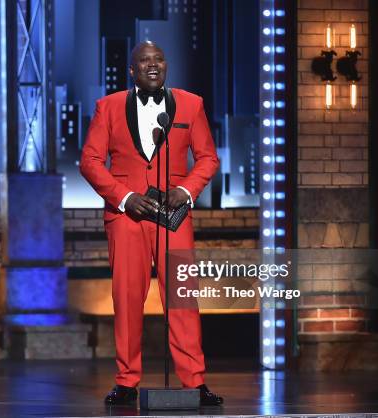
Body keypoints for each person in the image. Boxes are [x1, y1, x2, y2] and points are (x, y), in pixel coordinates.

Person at [79, 41, 223, 406]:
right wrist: (124, 197)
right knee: (127, 298)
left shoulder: (191, 104)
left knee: (182, 299)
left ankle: (194, 382)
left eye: (159, 58)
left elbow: (207, 158)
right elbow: (90, 161)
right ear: (132, 70)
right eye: (144, 61)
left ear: (166, 65)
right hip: (127, 215)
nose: (153, 64)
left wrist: (187, 190)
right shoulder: (108, 107)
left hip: (172, 217)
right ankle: (127, 381)